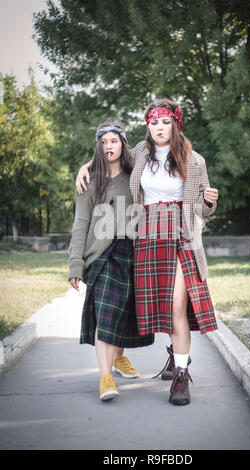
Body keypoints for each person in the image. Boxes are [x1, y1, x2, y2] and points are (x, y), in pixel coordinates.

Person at [76, 99, 219, 406]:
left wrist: (209, 201)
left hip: (181, 236)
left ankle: (181, 376)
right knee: (162, 308)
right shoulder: (140, 152)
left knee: (177, 306)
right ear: (148, 126)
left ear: (175, 125)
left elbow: (202, 210)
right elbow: (108, 156)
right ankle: (175, 354)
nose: (158, 128)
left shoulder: (195, 161)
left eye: (164, 122)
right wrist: (85, 166)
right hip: (147, 237)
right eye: (153, 122)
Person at [69, 121, 154, 402]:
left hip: (133, 252)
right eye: (103, 141)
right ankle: (105, 377)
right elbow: (80, 225)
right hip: (102, 256)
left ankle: (119, 359)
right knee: (105, 317)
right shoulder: (89, 181)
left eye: (114, 141)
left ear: (122, 144)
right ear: (98, 146)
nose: (108, 146)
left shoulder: (136, 177)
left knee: (122, 313)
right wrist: (74, 266)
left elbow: (158, 155)